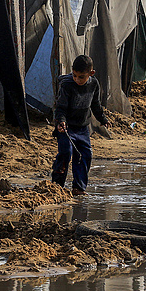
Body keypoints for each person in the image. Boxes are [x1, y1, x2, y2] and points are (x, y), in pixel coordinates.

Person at [52, 54, 108, 196]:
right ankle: (56, 187)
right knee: (66, 153)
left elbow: (96, 105)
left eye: (81, 77)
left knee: (85, 155)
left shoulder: (94, 84)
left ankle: (78, 188)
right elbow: (61, 107)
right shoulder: (67, 85)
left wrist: (103, 119)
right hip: (66, 127)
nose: (77, 79)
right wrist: (61, 121)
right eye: (75, 75)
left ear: (91, 73)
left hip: (82, 127)